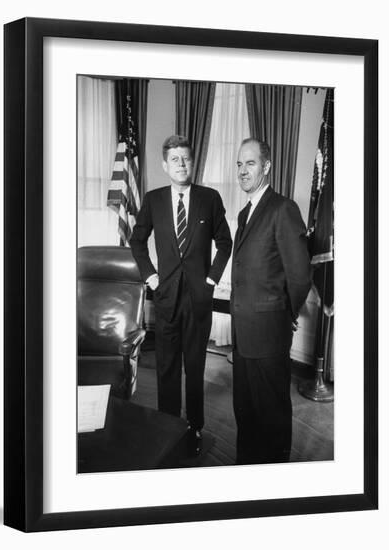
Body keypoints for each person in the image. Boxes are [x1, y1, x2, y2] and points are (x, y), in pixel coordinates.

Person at [130, 135, 232, 455]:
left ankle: (196, 428)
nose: (182, 164)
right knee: (167, 368)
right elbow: (137, 241)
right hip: (166, 298)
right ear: (165, 165)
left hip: (198, 301)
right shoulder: (153, 199)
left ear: (193, 162)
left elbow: (225, 242)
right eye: (175, 160)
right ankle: (168, 425)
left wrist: (212, 279)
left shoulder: (210, 198)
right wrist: (151, 277)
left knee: (196, 366)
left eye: (186, 158)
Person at [231, 137, 312, 465]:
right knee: (245, 411)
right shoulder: (244, 214)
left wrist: (285, 315)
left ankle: (276, 481)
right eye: (239, 164)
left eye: (250, 163)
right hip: (242, 334)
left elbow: (300, 275)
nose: (242, 171)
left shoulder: (283, 208)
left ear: (266, 166)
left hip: (269, 334)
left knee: (272, 415)